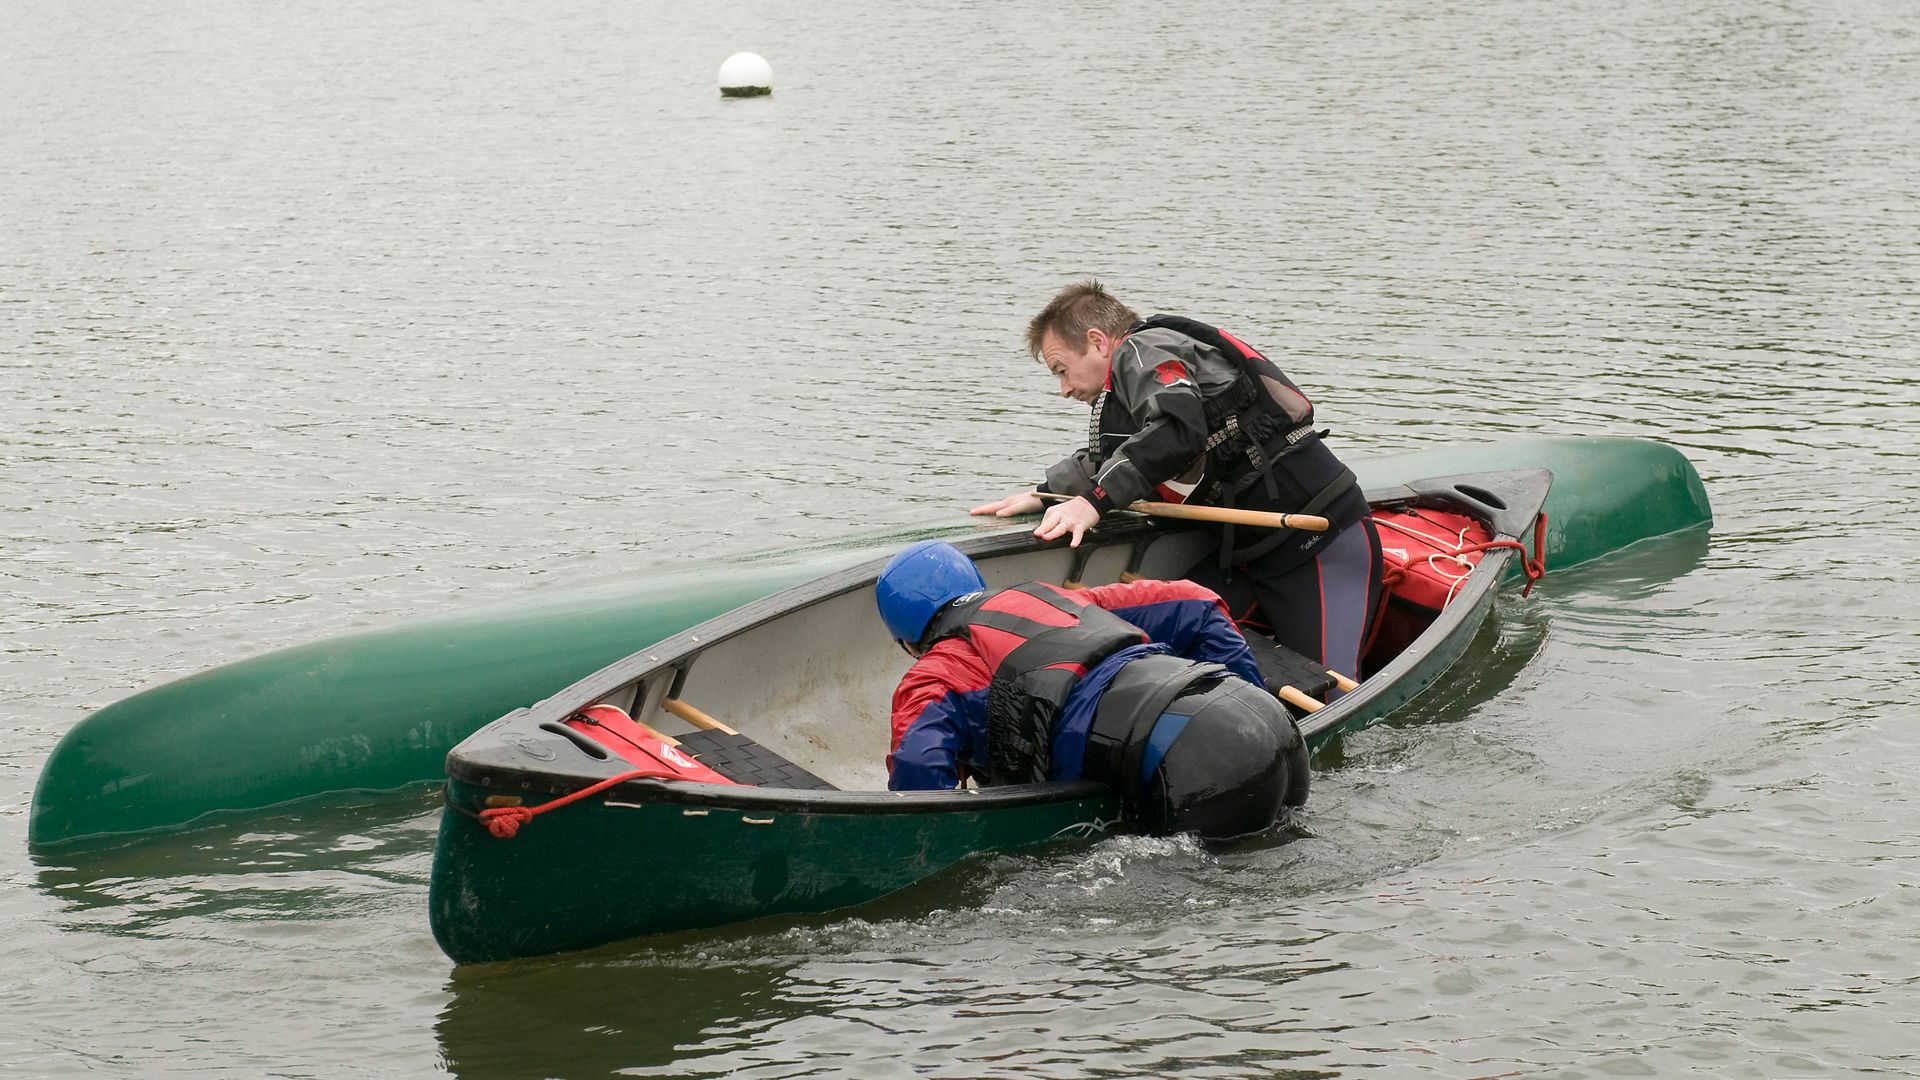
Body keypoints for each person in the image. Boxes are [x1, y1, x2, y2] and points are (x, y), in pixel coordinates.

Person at [972, 280, 1382, 683]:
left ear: (1098, 342)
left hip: (1322, 545)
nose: (1062, 390)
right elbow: (1109, 459)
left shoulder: (1142, 350)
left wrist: (1092, 503)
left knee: (1331, 692)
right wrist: (1044, 494)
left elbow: (1176, 431)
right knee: (1172, 649)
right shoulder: (1126, 387)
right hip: (1244, 557)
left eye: (1062, 370)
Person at [875, 540, 1308, 842]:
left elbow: (918, 778)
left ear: (907, 643)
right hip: (1267, 724)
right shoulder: (1058, 599)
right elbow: (1196, 602)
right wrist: (1254, 697)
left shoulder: (937, 672)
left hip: (1192, 764)